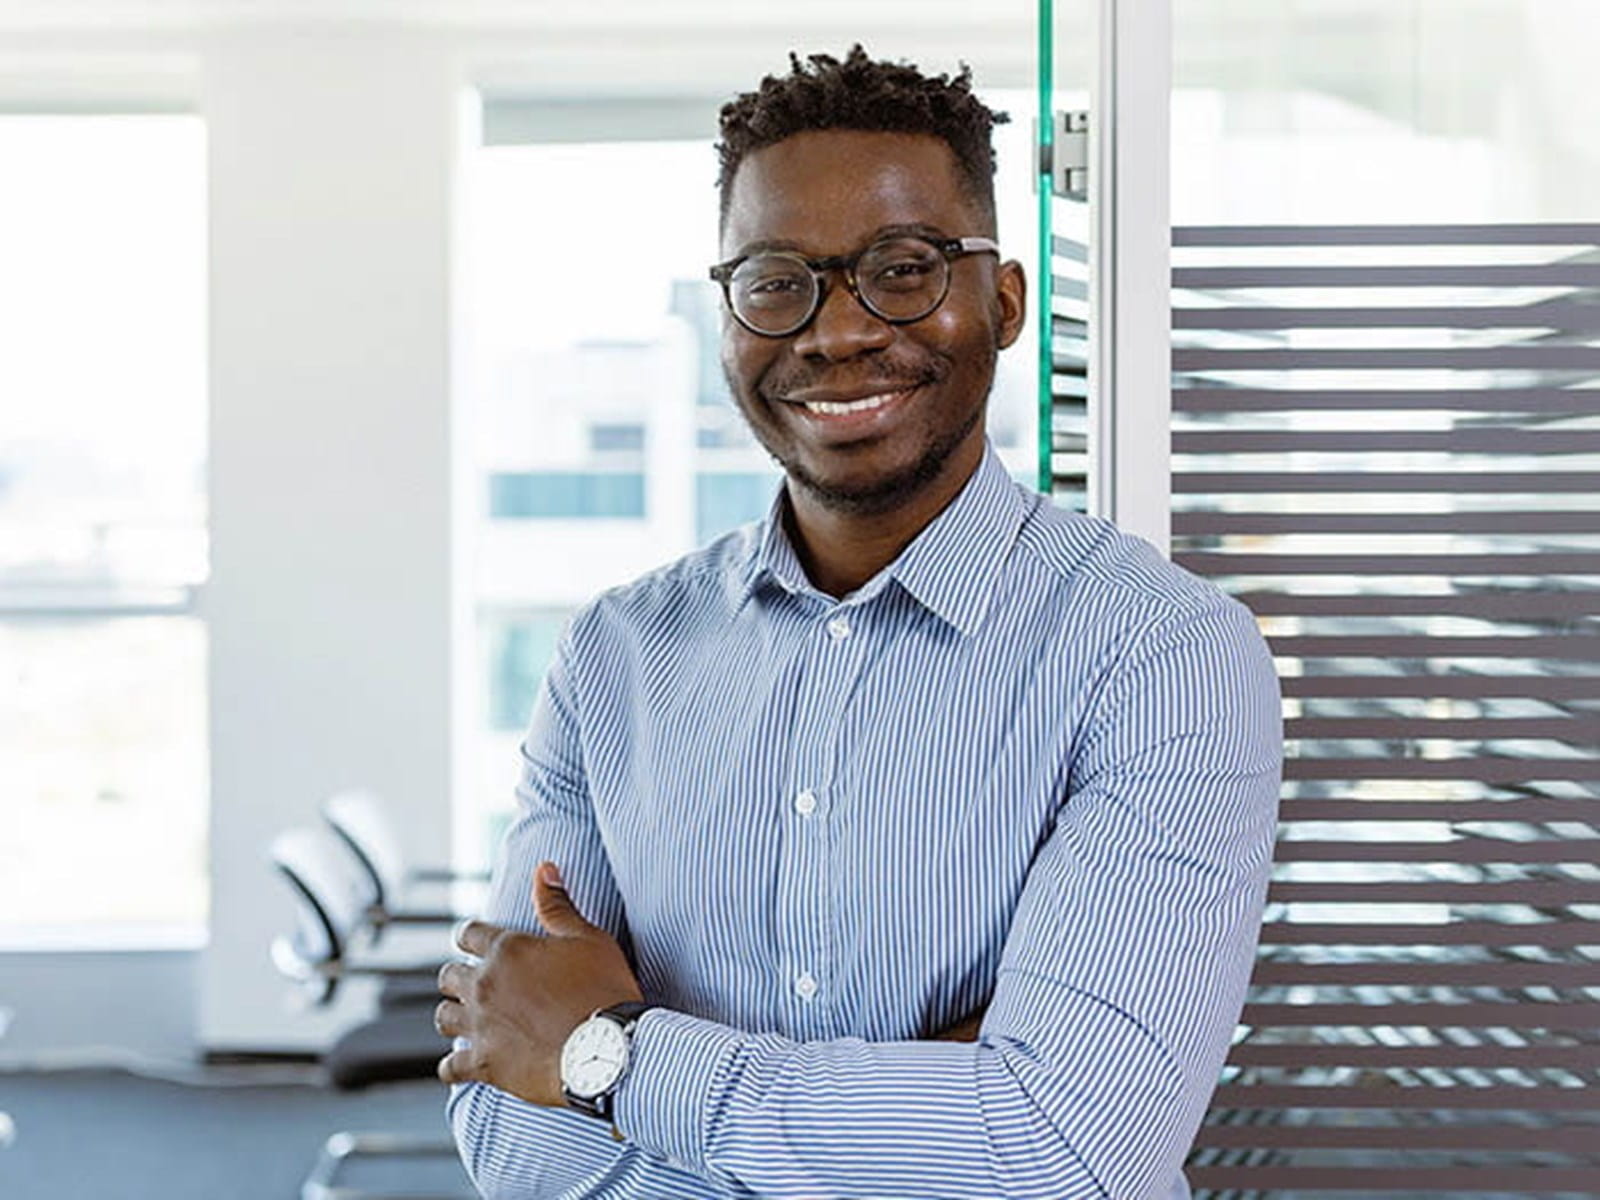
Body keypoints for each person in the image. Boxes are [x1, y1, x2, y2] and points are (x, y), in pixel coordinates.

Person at [436, 46, 1281, 1200]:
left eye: (901, 268)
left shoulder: (1159, 657)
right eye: (777, 280)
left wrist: (607, 1054)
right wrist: (927, 1102)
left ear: (1006, 301)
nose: (836, 333)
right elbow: (515, 1136)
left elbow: (1065, 1151)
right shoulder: (613, 660)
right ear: (725, 317)